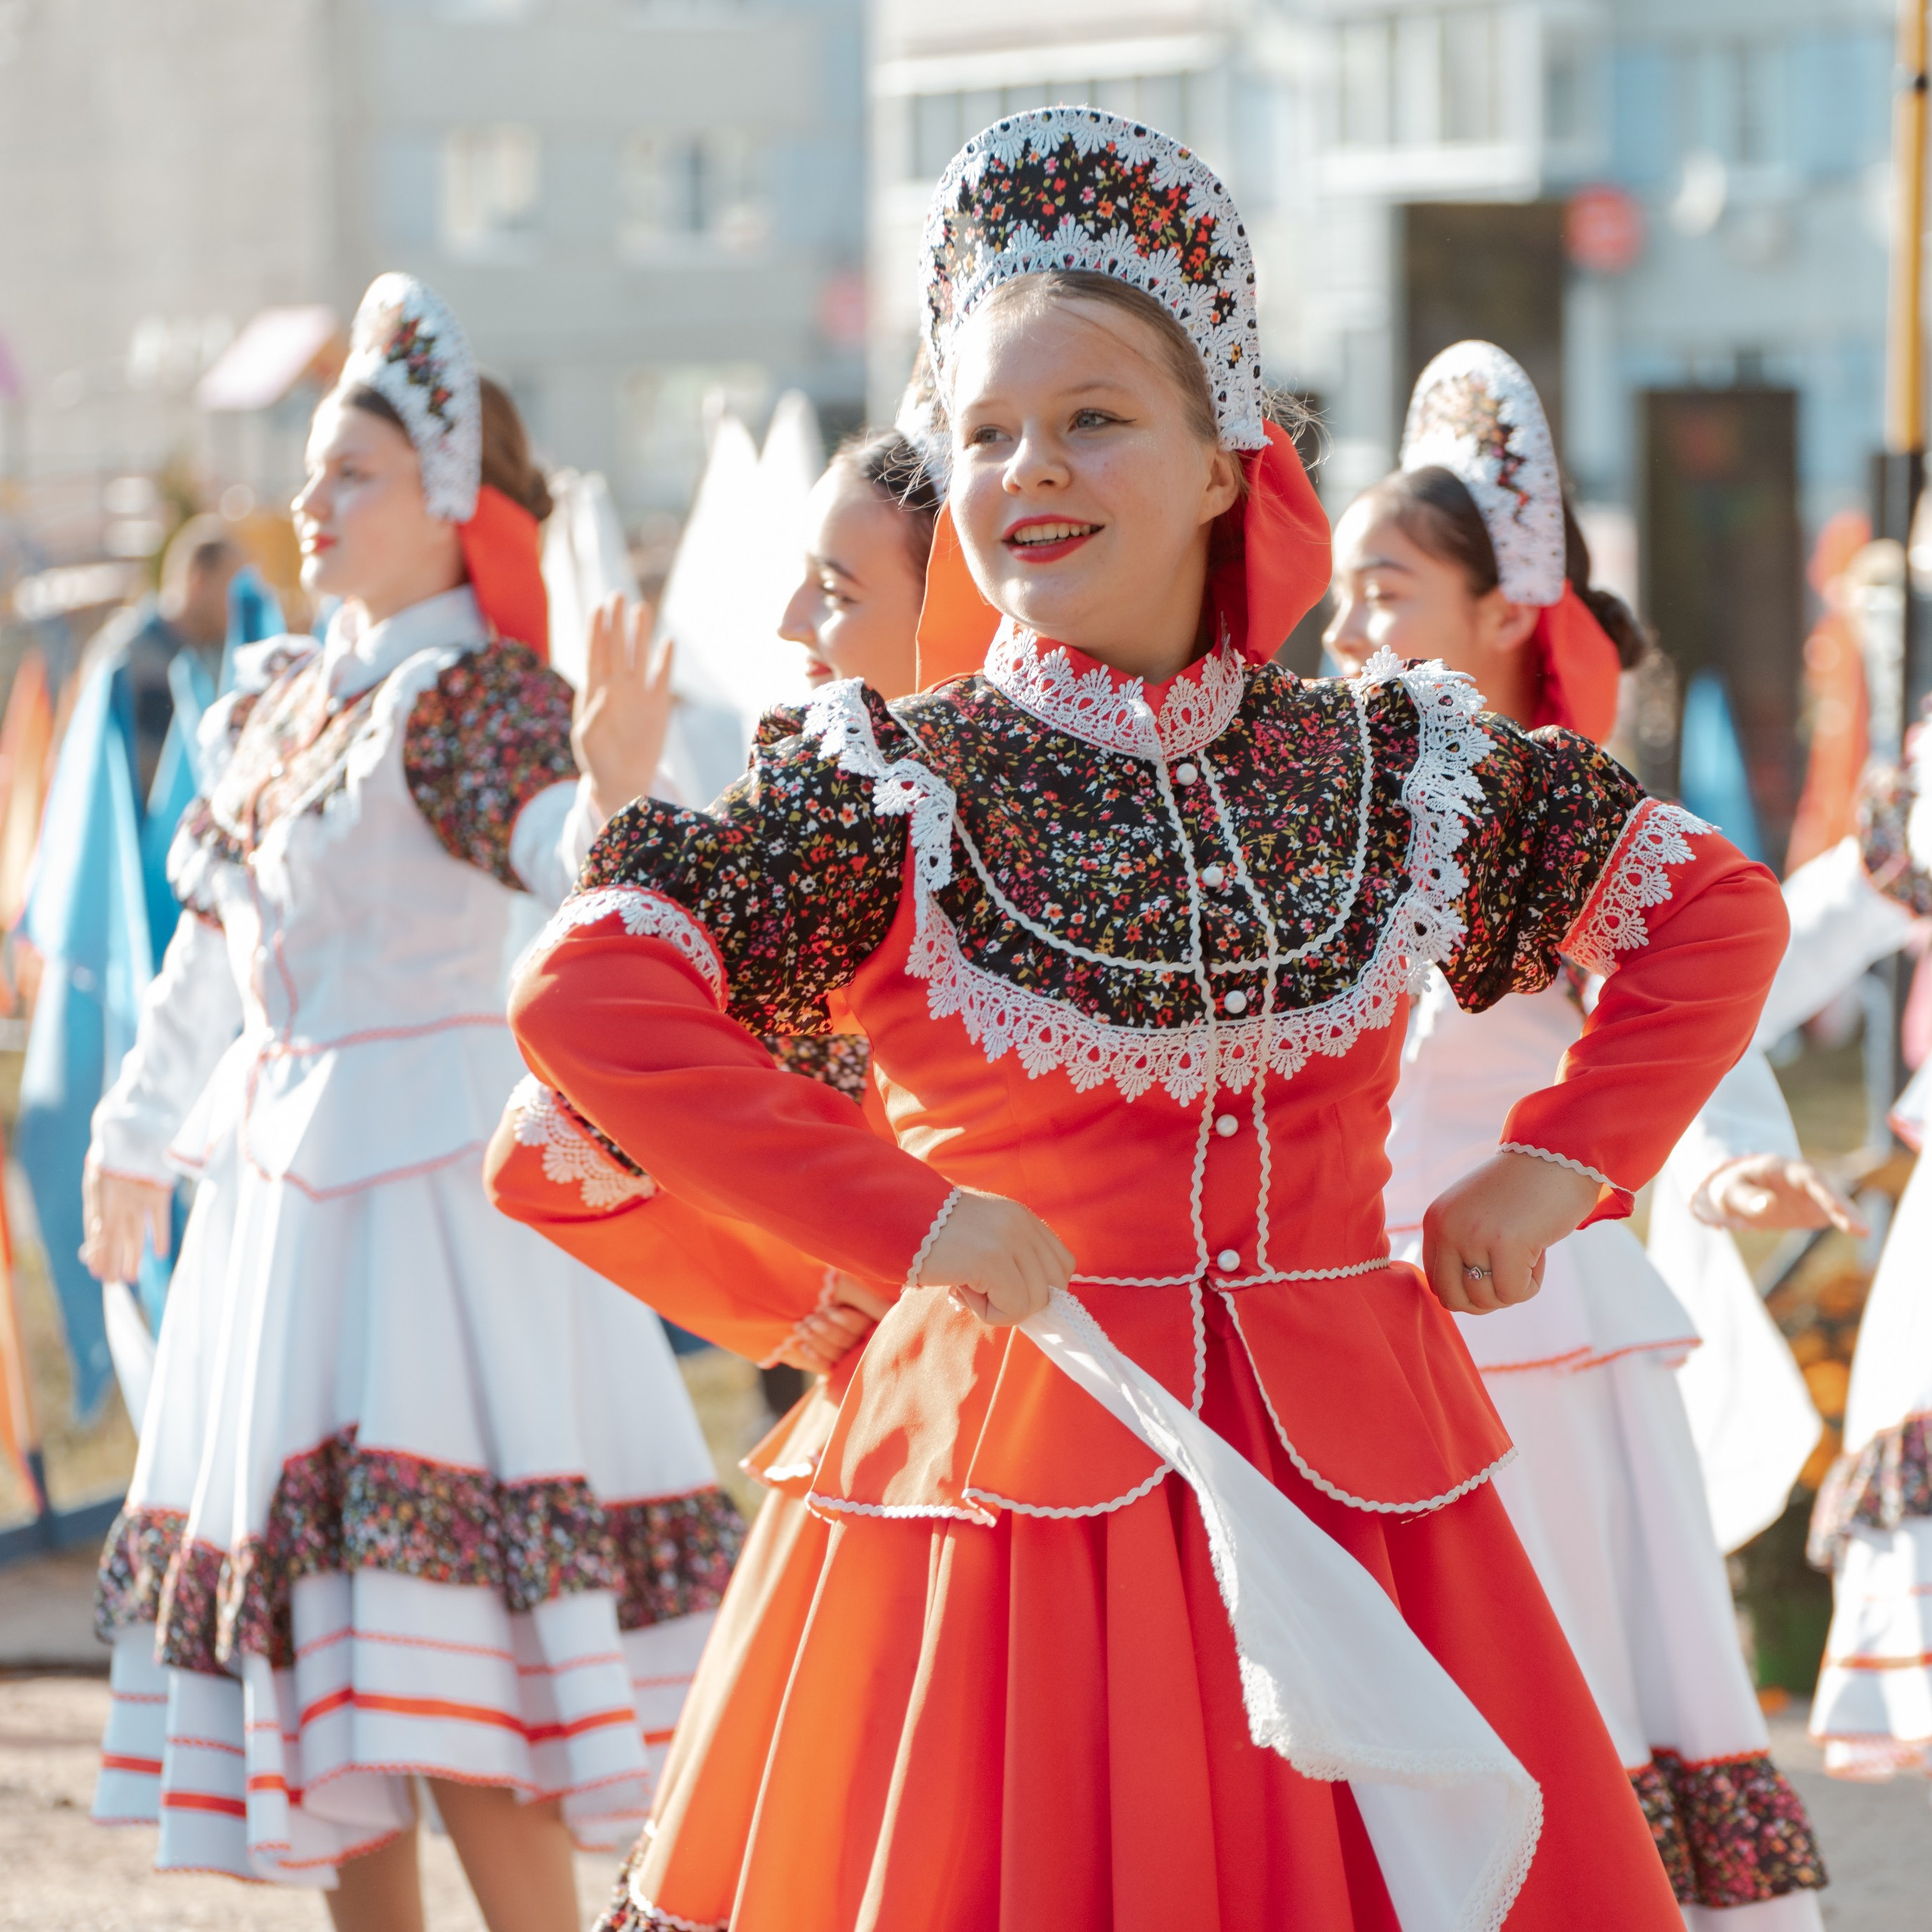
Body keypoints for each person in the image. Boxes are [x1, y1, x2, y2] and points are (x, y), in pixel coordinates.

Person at [500, 111, 1786, 1928]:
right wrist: (908, 1219)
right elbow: (589, 991)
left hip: (1354, 1492)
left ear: (1219, 463)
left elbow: (1709, 911)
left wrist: (1559, 1164)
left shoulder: (1385, 760)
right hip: (1003, 1513)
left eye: (1093, 416)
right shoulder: (890, 779)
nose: (1030, 465)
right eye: (984, 432)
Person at [82, 274, 738, 1930]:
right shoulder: (278, 700)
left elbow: (567, 869)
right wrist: (131, 1136)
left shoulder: (470, 700)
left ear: (451, 502)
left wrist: (610, 789)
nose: (311, 500)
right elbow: (209, 959)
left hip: (437, 1221)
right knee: (326, 1676)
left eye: (352, 471)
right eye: (313, 468)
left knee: (458, 1675)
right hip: (279, 1220)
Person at [1325, 341, 1832, 1927]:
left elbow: (1682, 1002)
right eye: (1340, 597)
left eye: (1386, 591)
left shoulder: (1553, 813)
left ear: (1503, 614)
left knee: (1561, 1688)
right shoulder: (1323, 813)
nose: (1347, 633)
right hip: (1364, 1321)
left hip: (1532, 1325)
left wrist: (1719, 1156)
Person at [488, 426, 939, 1930]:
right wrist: (809, 1283)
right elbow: (575, 1121)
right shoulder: (824, 844)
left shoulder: (951, 820)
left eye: (836, 589)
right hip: (918, 1413)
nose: (791, 620)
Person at [14, 516, 242, 1418]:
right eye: (232, 586)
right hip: (141, 923)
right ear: (200, 578)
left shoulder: (168, 654)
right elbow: (127, 812)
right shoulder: (140, 665)